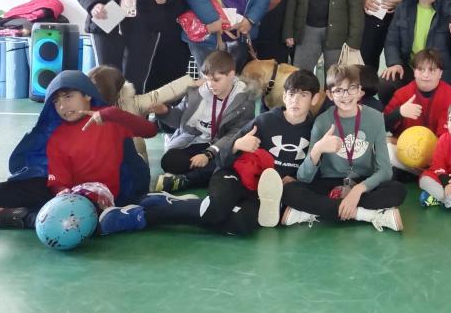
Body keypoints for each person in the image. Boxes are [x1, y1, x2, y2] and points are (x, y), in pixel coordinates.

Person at [97, 69, 324, 237]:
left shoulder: (316, 130)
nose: (295, 100)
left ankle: (180, 204)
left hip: (261, 191)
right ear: (283, 96)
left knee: (241, 225)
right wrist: (237, 145)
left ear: (314, 99)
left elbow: (316, 174)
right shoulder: (265, 121)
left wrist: (295, 182)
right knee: (215, 210)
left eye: (303, 95)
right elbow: (222, 159)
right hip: (232, 174)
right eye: (291, 94)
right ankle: (143, 215)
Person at [0, 71, 152, 229]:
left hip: (106, 200)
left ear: (87, 94)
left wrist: (116, 114)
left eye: (68, 97)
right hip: (70, 196)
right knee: (24, 188)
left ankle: (22, 217)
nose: (62, 106)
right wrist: (63, 193)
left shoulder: (109, 119)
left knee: (82, 222)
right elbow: (57, 179)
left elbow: (149, 130)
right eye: (56, 101)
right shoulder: (56, 135)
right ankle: (21, 212)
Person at [279, 65, 406, 232]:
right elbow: (304, 177)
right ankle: (365, 214)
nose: (345, 95)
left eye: (351, 88)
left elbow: (385, 170)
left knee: (398, 190)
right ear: (330, 95)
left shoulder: (375, 118)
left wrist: (357, 191)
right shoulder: (322, 121)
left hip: (363, 181)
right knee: (289, 191)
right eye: (338, 90)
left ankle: (314, 212)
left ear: (360, 91)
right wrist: (317, 149)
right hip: (329, 182)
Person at [154, 50, 257, 192]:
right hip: (196, 141)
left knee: (229, 162)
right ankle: (202, 175)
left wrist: (208, 154)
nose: (211, 84)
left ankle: (187, 180)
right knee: (169, 161)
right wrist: (165, 112)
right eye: (207, 79)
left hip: (222, 146)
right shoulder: (197, 92)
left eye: (216, 80)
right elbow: (181, 120)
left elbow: (235, 133)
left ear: (231, 75)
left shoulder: (245, 101)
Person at [380, 0, 451, 101]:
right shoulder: (403, 7)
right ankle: (396, 115)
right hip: (409, 68)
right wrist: (395, 63)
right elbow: (392, 41)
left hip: (438, 72)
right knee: (385, 83)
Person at [88, 64, 198, 164]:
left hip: (128, 156)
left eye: (95, 86)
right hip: (99, 155)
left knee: (135, 145)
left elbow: (159, 94)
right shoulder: (85, 104)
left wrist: (192, 83)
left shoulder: (131, 103)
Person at [382, 49, 451, 173]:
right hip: (406, 150)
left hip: (436, 152)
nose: (426, 75)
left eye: (432, 70)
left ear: (440, 73)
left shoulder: (449, 92)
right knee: (384, 144)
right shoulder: (402, 93)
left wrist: (431, 156)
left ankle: (423, 173)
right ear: (414, 72)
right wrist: (399, 112)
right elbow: (381, 126)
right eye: (421, 70)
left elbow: (448, 132)